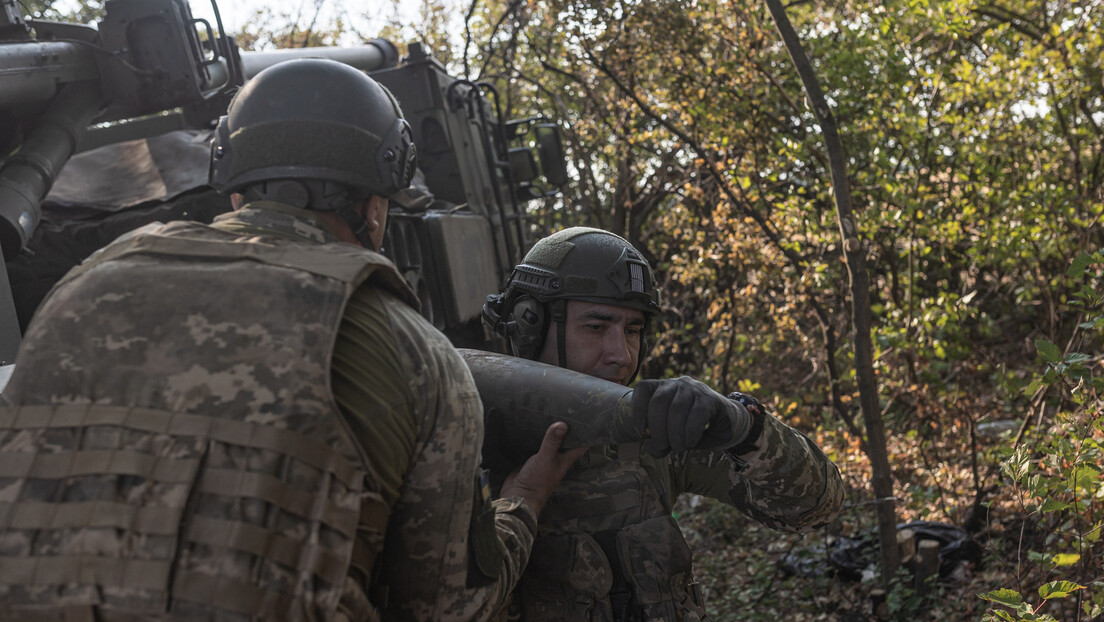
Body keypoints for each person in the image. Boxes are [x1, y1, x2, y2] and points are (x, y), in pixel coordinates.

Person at [0, 59, 582, 621]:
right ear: (375, 206)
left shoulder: (83, 287)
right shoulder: (417, 354)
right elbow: (446, 606)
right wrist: (524, 503)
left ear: (234, 190)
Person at [481, 227, 845, 621]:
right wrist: (522, 501)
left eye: (633, 331)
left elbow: (816, 507)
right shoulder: (466, 439)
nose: (621, 355)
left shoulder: (644, 432)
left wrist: (743, 428)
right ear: (528, 323)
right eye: (597, 327)